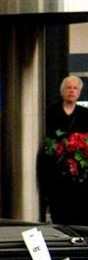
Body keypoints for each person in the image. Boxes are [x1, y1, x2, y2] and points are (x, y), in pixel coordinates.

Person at [41, 75, 88, 224]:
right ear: (62, 91)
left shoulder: (85, 114)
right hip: (56, 173)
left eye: (75, 88)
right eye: (69, 87)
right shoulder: (49, 113)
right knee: (59, 213)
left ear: (79, 93)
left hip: (80, 176)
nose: (72, 91)